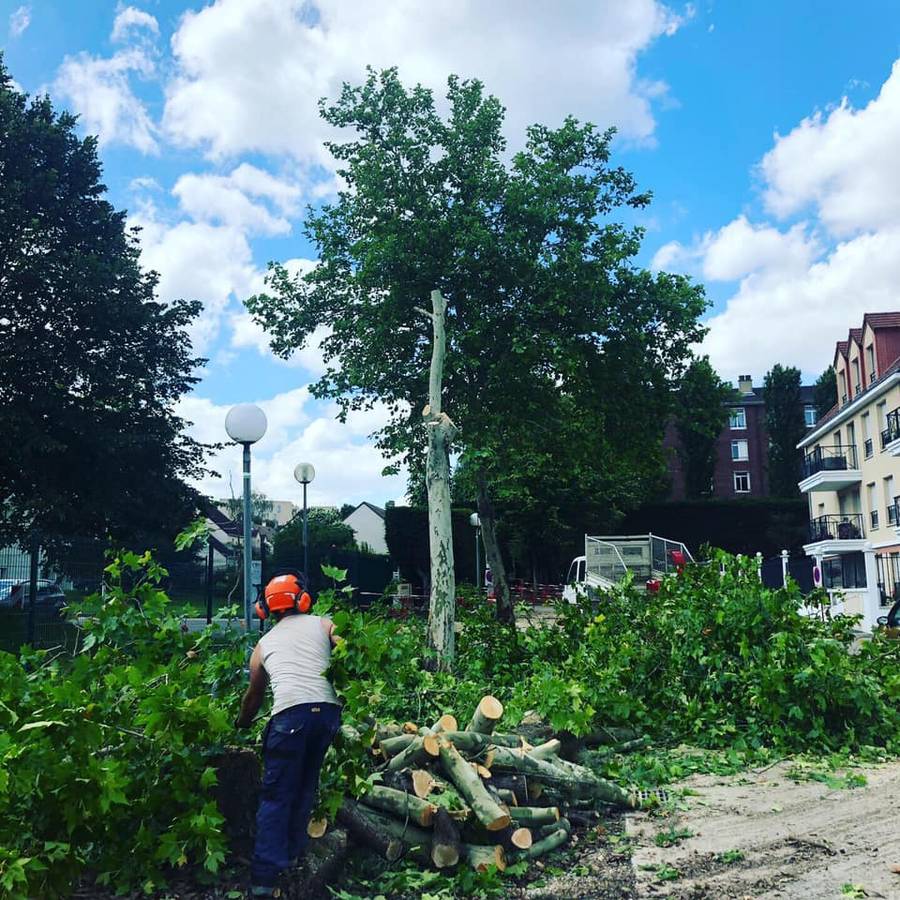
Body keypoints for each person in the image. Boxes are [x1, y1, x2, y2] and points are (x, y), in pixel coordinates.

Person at [234, 572, 341, 898]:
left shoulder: (263, 646)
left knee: (276, 795)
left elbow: (253, 698)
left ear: (265, 608)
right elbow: (349, 649)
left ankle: (264, 878)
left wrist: (240, 724)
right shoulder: (324, 624)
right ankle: (293, 855)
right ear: (303, 599)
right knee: (305, 786)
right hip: (327, 716)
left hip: (289, 718)